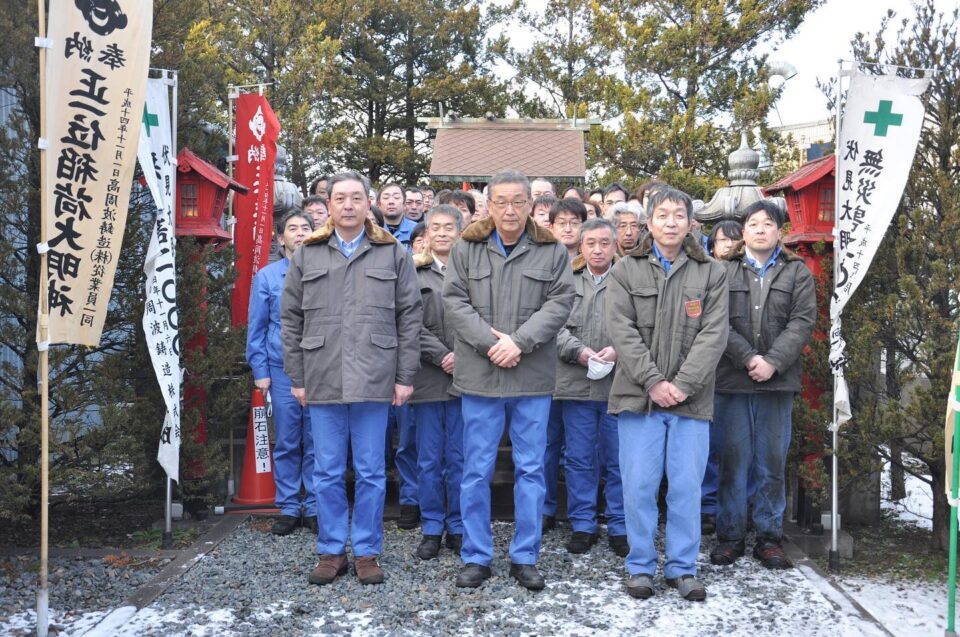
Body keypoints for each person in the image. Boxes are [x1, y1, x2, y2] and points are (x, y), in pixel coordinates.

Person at [282, 171, 422, 587]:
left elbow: (410, 316)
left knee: (371, 471)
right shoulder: (309, 253)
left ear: (368, 203)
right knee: (325, 471)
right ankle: (330, 550)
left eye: (355, 198)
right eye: (340, 198)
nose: (347, 205)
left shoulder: (391, 251)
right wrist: (297, 375)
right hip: (322, 374)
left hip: (375, 376)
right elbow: (290, 318)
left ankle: (366, 551)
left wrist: (404, 376)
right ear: (329, 205)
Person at [444, 169, 575, 591]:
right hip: (480, 376)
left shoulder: (550, 249)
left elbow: (561, 302)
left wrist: (519, 342)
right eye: (500, 201)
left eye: (518, 201)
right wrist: (490, 344)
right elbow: (454, 301)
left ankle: (525, 555)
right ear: (488, 204)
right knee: (475, 470)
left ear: (532, 205)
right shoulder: (468, 246)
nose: (509, 210)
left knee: (532, 469)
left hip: (531, 374)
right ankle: (477, 555)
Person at [606, 187, 729, 602]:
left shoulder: (711, 272)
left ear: (691, 222)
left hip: (691, 401)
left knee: (686, 486)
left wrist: (681, 385)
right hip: (638, 398)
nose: (671, 222)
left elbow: (714, 335)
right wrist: (654, 382)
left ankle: (682, 567)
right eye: (663, 215)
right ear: (650, 222)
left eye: (679, 215)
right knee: (639, 485)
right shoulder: (627, 269)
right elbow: (621, 331)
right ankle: (640, 565)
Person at [710, 201, 815, 570]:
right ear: (743, 232)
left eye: (767, 224)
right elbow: (716, 323)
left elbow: (802, 321)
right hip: (733, 382)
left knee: (772, 461)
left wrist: (772, 362)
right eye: (752, 224)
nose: (759, 230)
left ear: (779, 232)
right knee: (732, 462)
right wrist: (749, 358)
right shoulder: (723, 272)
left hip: (777, 382)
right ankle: (730, 536)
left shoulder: (796, 273)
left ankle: (769, 538)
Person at [554, 218, 626, 556]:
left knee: (618, 458)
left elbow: (640, 324)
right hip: (575, 384)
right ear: (581, 247)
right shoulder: (566, 281)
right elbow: (554, 326)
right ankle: (582, 522)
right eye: (591, 243)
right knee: (579, 457)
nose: (598, 250)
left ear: (615, 246)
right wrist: (579, 352)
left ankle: (619, 522)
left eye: (604, 243)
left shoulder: (629, 280)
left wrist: (618, 349)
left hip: (619, 385)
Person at [247, 210, 317, 536]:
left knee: (318, 441)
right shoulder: (267, 277)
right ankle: (289, 505)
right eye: (293, 229)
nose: (300, 233)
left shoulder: (325, 271)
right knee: (288, 440)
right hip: (282, 368)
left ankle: (315, 505)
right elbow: (257, 328)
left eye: (306, 228)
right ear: (280, 237)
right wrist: (260, 370)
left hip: (321, 369)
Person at [410, 205, 465, 560]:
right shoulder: (413, 274)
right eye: (436, 228)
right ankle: (432, 526)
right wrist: (442, 355)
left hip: (468, 377)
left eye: (449, 227)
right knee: (429, 459)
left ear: (461, 231)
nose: (442, 233)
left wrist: (462, 355)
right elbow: (409, 323)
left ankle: (459, 525)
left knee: (461, 458)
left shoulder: (473, 272)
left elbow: (482, 318)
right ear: (426, 234)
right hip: (428, 378)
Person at [700, 219, 743, 536]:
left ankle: (735, 508)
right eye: (722, 240)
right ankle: (706, 506)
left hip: (738, 372)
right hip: (705, 372)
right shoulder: (702, 274)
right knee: (707, 447)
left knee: (736, 447)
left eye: (733, 239)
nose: (728, 245)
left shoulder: (746, 273)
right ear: (711, 245)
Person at [377, 182, 417, 248]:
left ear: (404, 204)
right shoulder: (371, 229)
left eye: (396, 197)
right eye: (386, 198)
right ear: (378, 204)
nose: (391, 202)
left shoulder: (416, 229)